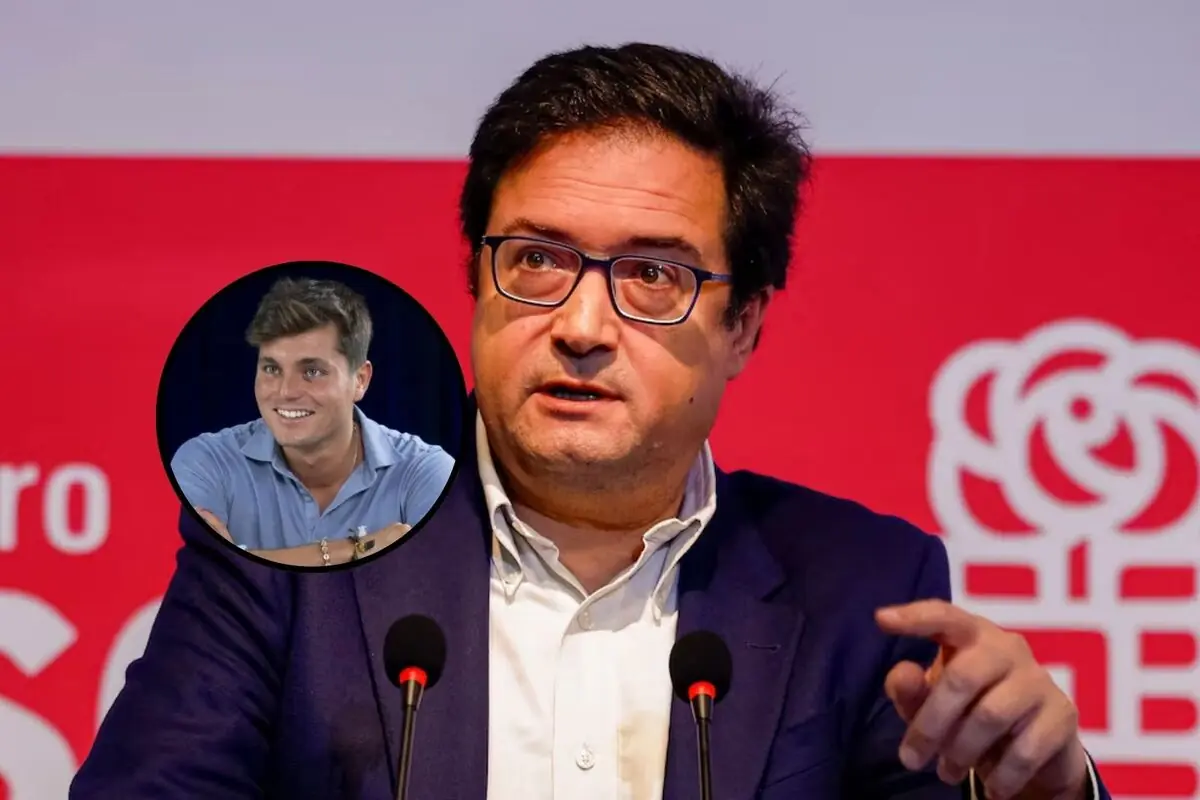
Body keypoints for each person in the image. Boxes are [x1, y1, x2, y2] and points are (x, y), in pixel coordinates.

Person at [74, 43, 1109, 799]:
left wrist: (1051, 790)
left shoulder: (864, 590)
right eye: (535, 259)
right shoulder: (288, 536)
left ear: (742, 322)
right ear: (475, 279)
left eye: (652, 275)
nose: (579, 324)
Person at [168, 276, 455, 566]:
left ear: (360, 380)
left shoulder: (425, 472)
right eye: (272, 369)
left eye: (312, 372)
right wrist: (358, 548)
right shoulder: (206, 461)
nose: (286, 392)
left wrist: (242, 562)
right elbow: (213, 577)